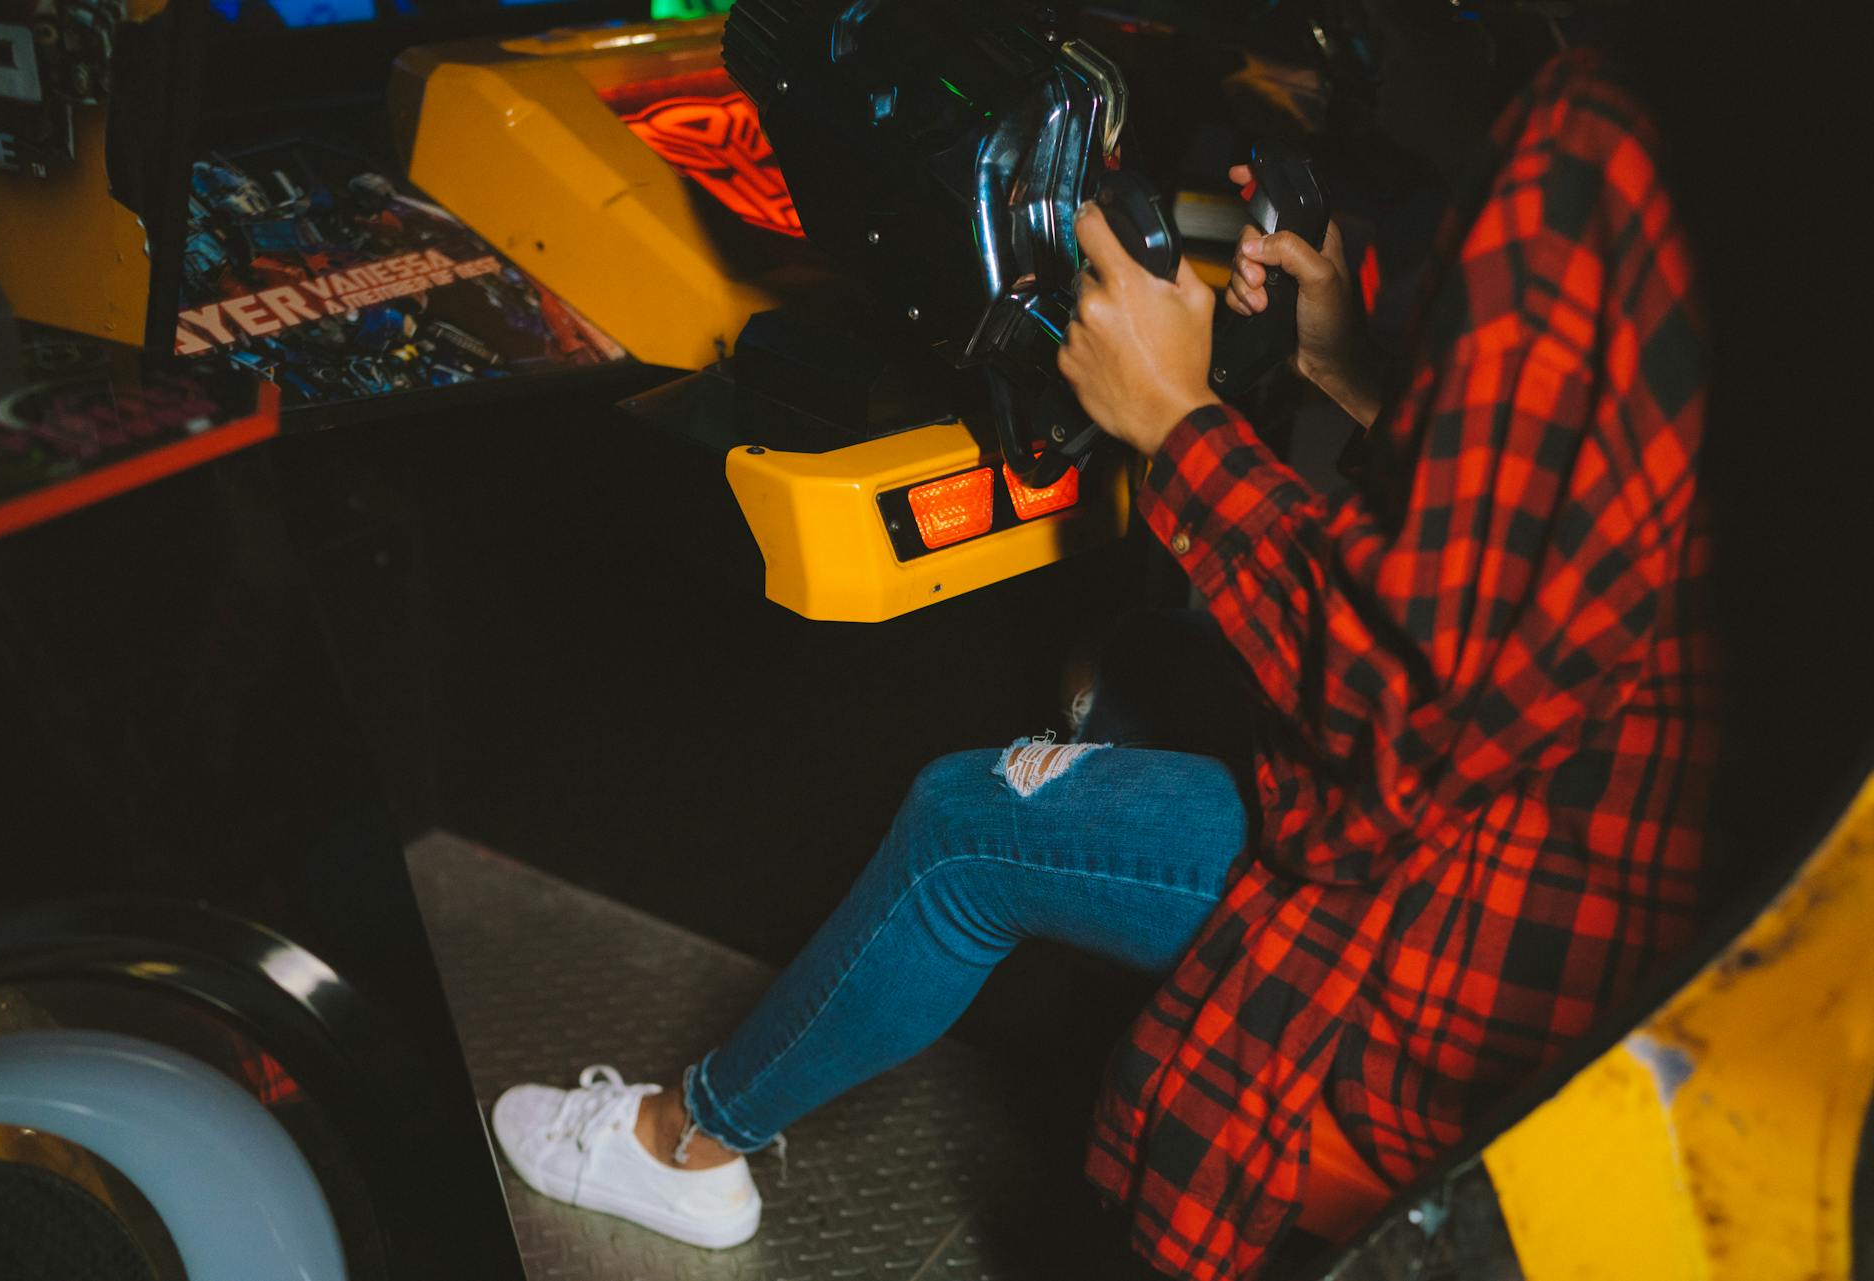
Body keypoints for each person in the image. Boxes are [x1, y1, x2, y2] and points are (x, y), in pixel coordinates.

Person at [488, 9, 1719, 1276]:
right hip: (1601, 876)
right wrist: (1353, 371)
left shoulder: (1582, 159)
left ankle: (682, 1144)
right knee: (1118, 697)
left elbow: (1405, 717)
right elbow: (1558, 544)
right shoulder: (1732, 138)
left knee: (963, 824)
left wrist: (1175, 420)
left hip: (1473, 938)